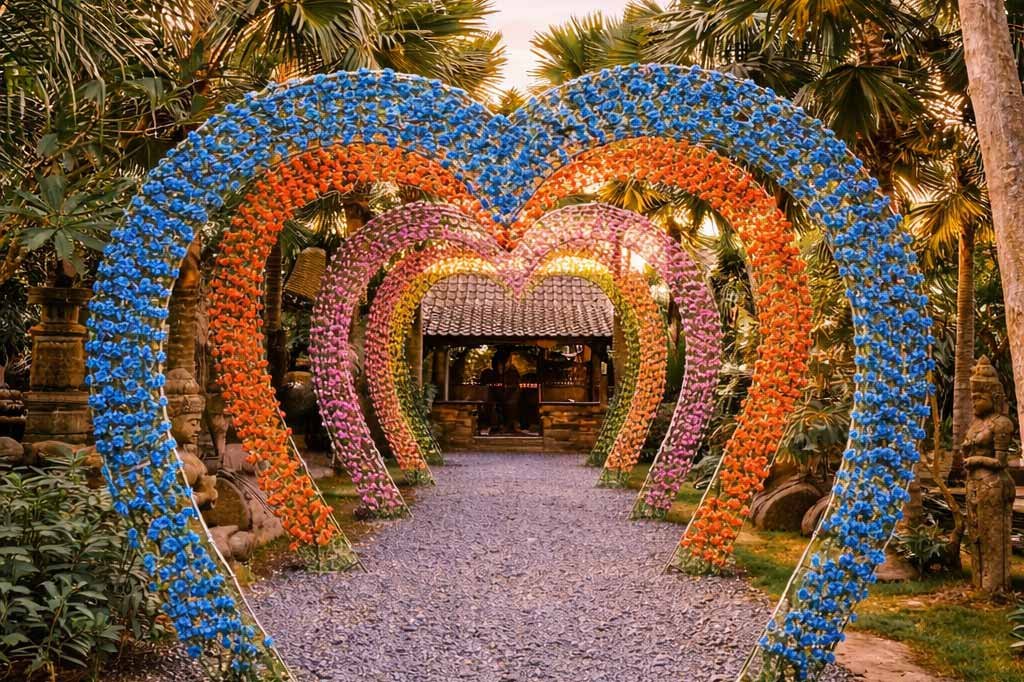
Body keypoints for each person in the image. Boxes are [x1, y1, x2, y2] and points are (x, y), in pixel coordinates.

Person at [501, 354, 521, 434]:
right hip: (510, 393)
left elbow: (516, 382)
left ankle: (510, 426)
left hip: (513, 393)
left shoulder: (511, 372)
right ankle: (510, 426)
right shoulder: (507, 372)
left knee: (511, 410)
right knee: (509, 410)